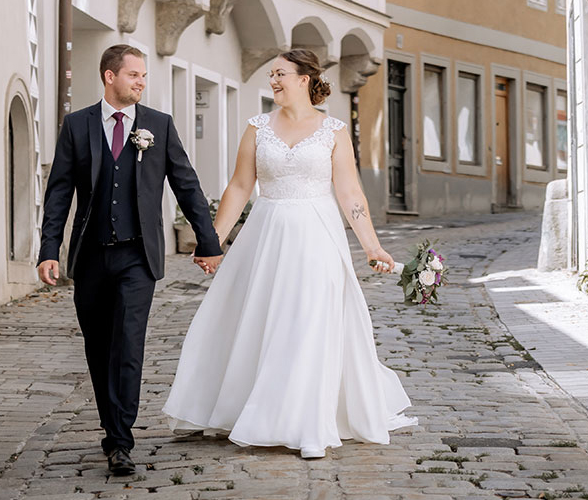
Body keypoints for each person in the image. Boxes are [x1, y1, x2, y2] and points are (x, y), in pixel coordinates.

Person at [162, 49, 417, 459]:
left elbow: (350, 192)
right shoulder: (257, 127)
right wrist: (214, 241)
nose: (274, 81)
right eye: (271, 75)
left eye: (280, 74)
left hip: (317, 235)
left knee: (310, 321)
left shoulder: (333, 130)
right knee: (262, 319)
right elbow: (240, 186)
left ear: (304, 79)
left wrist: (372, 245)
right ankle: (257, 408)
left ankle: (308, 422)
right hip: (267, 233)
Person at [37, 44, 223, 476]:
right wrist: (49, 251)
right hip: (90, 258)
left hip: (138, 257)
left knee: (128, 346)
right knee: (98, 347)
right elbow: (59, 193)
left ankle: (121, 440)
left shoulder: (158, 125)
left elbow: (186, 185)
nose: (141, 82)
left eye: (144, 76)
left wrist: (208, 240)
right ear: (109, 76)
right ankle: (111, 425)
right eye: (134, 75)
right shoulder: (77, 125)